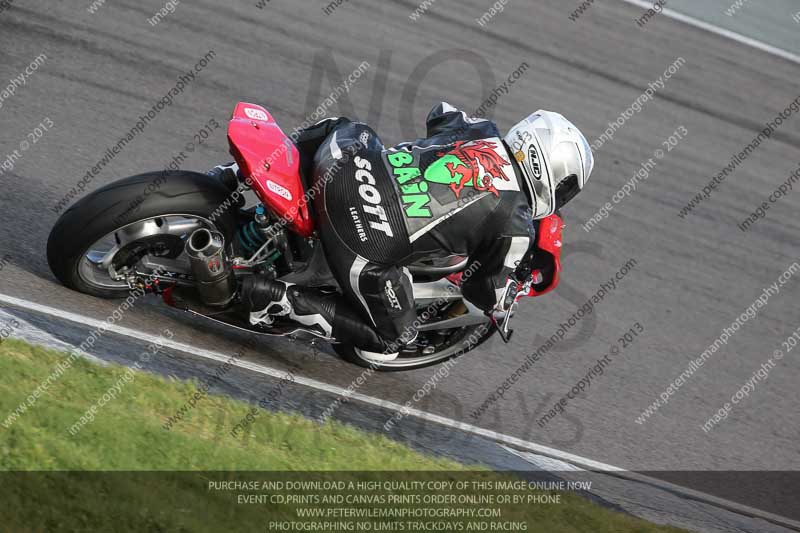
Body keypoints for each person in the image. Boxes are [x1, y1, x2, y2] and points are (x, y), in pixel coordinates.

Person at [241, 103, 594, 363]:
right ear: (554, 173)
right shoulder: (514, 223)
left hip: (343, 164)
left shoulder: (480, 130)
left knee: (350, 126)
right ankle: (279, 297)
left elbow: (440, 112)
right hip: (361, 236)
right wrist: (511, 293)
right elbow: (486, 292)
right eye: (567, 188)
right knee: (394, 335)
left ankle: (235, 175)